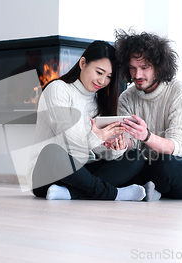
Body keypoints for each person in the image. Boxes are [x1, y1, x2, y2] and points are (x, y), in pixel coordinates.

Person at [28, 40, 147, 201]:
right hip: (49, 174)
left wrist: (114, 149)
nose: (102, 81)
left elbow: (97, 151)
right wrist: (97, 136)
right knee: (52, 151)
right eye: (99, 72)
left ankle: (71, 194)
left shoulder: (99, 103)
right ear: (83, 63)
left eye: (108, 77)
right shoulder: (57, 89)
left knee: (135, 157)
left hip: (81, 173)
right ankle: (113, 193)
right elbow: (69, 143)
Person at [114, 29, 182, 201]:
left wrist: (146, 136)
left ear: (159, 66)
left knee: (166, 163)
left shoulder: (181, 92)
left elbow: (178, 148)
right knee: (126, 161)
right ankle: (147, 190)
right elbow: (131, 147)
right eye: (132, 68)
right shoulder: (127, 98)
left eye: (144, 68)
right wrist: (118, 143)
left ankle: (142, 189)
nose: (137, 75)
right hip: (153, 166)